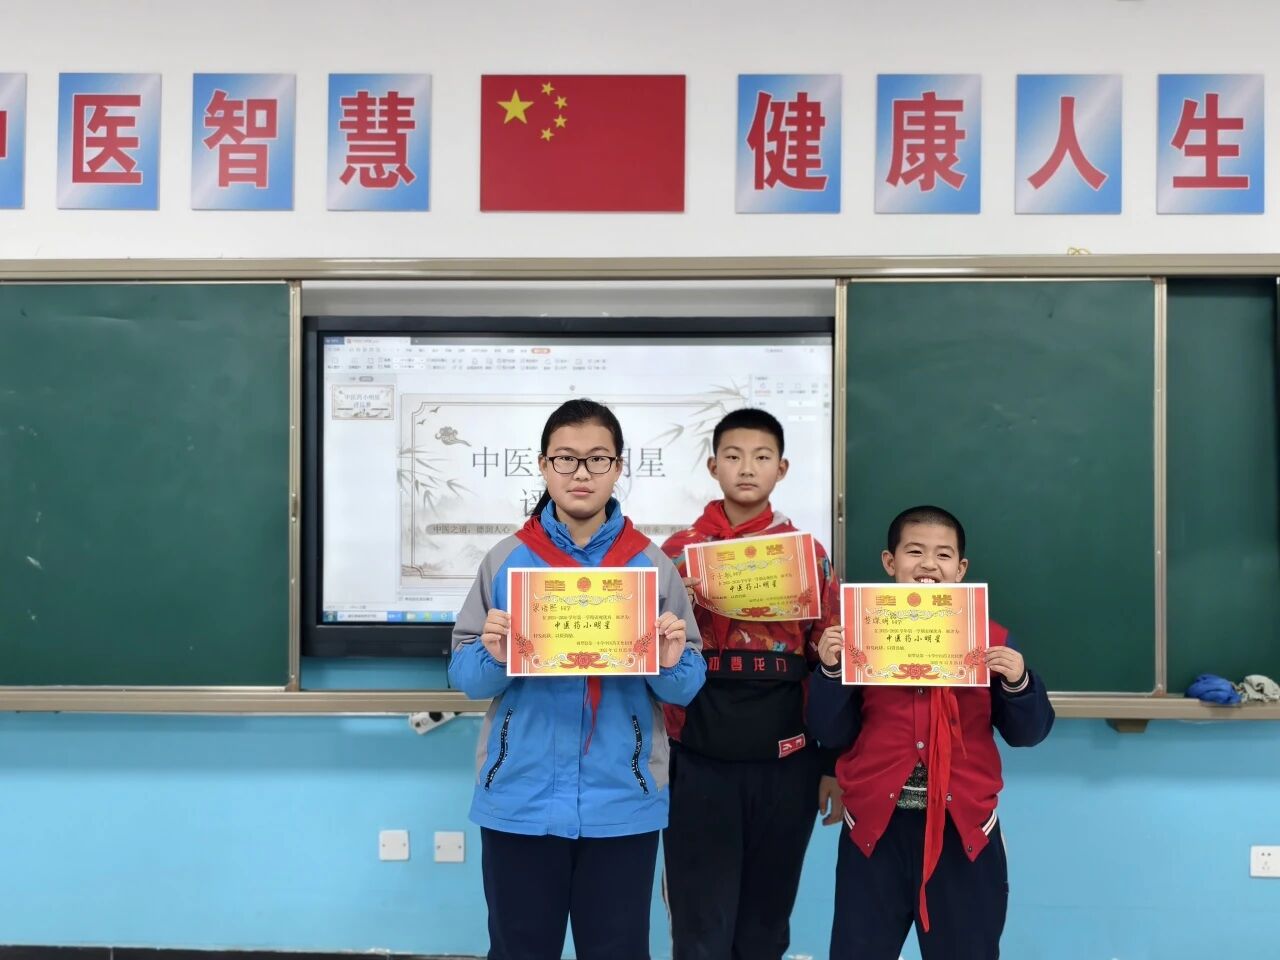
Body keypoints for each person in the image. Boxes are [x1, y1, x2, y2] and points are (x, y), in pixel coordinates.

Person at [449, 398, 706, 960]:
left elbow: (686, 686)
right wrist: (494, 654)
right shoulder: (507, 560)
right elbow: (465, 676)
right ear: (544, 466)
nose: (581, 473)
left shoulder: (650, 564)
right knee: (519, 950)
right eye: (566, 459)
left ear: (618, 467)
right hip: (519, 797)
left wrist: (668, 659)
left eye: (597, 459)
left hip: (622, 801)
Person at [808, 505, 1055, 960]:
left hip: (964, 833)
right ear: (890, 562)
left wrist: (1019, 681)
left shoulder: (990, 637)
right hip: (876, 833)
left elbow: (1028, 733)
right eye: (914, 552)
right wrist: (829, 671)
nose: (929, 565)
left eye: (943, 555)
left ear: (961, 569)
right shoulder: (861, 635)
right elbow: (830, 729)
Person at [660, 407, 843, 960]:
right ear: (713, 466)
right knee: (699, 925)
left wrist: (833, 763)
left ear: (781, 469)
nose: (747, 468)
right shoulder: (676, 555)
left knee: (766, 925)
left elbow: (831, 662)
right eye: (733, 456)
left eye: (762, 457)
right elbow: (650, 657)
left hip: (788, 762)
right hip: (696, 758)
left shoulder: (808, 556)